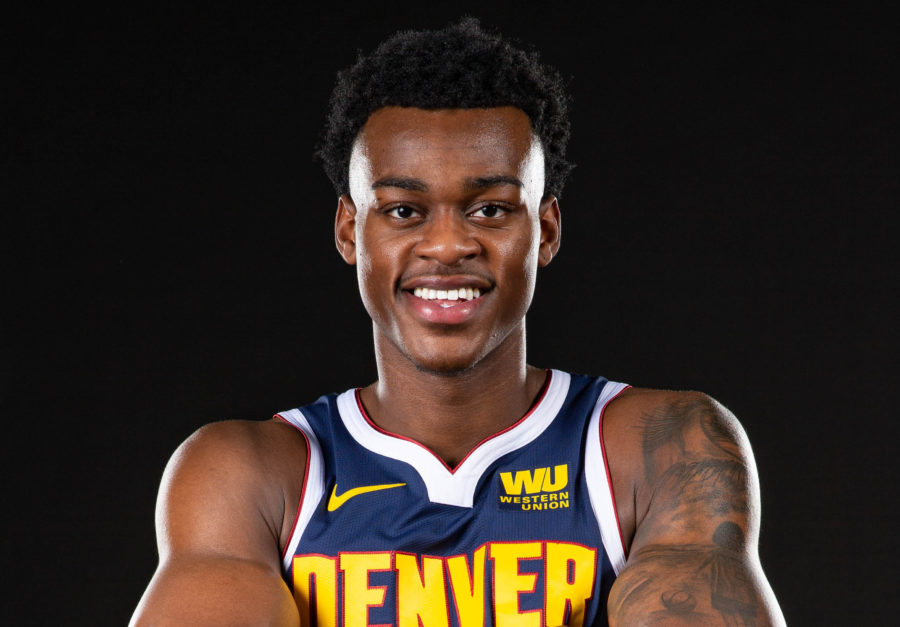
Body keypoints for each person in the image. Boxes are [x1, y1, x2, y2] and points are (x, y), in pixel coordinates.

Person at [131, 18, 785, 626]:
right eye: (404, 211)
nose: (447, 246)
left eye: (491, 210)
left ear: (546, 229)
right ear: (350, 230)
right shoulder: (251, 476)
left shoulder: (659, 450)